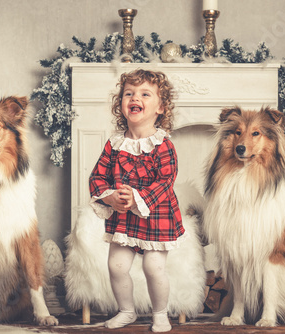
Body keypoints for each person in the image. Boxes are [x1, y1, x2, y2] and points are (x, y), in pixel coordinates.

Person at [89, 69, 186, 332]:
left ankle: (160, 314)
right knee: (116, 265)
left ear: (161, 107)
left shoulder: (162, 144)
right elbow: (97, 177)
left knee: (154, 268)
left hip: (156, 215)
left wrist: (138, 198)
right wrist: (110, 197)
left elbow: (166, 180)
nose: (135, 97)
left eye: (145, 94)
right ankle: (127, 310)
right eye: (128, 93)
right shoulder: (115, 144)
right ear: (121, 104)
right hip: (124, 217)